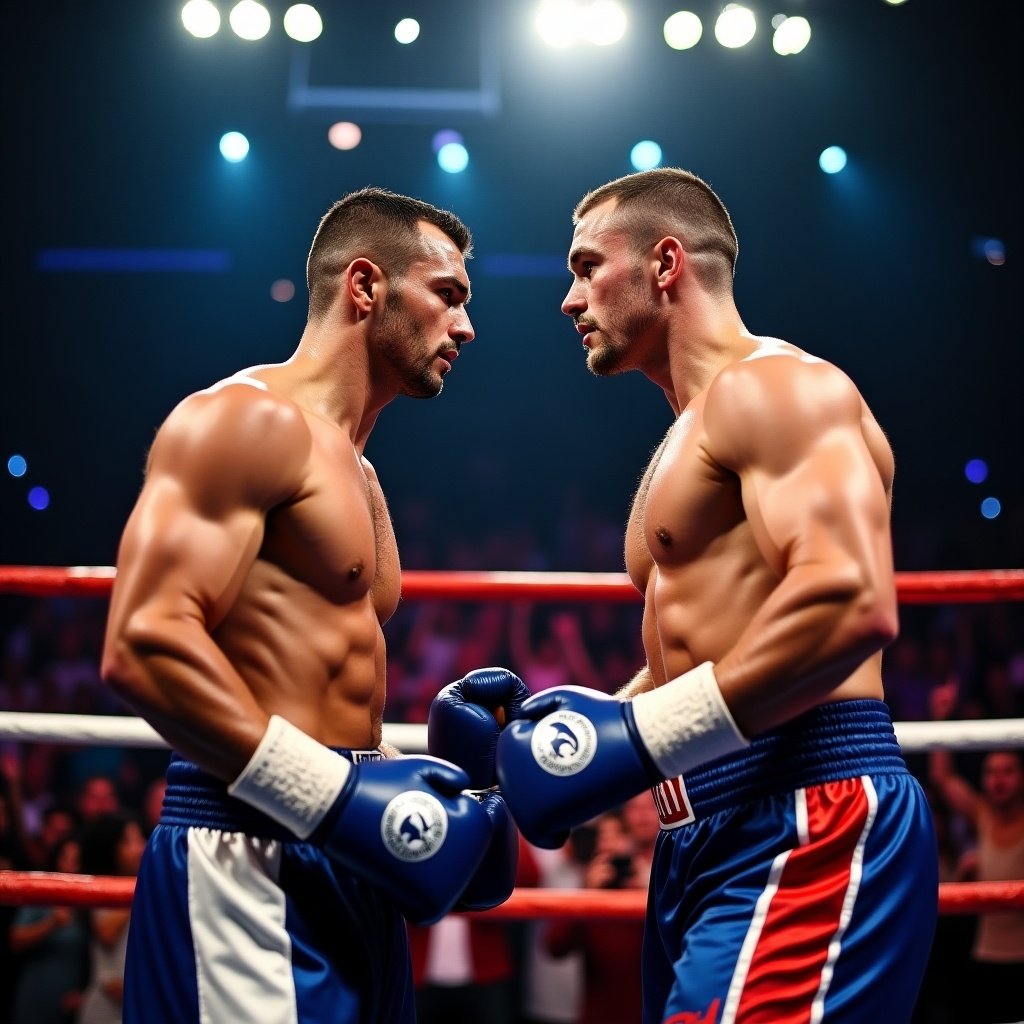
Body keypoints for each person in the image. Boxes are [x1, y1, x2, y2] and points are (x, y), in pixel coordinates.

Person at [495, 167, 938, 1023]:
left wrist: (641, 733)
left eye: (587, 267)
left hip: (807, 810)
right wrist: (567, 736)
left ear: (666, 264)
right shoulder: (685, 434)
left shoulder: (777, 388)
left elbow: (850, 599)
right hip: (699, 828)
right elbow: (696, 665)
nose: (569, 299)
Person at [100, 186, 526, 1024]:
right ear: (364, 287)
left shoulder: (361, 475)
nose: (466, 327)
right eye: (448, 294)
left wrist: (391, 786)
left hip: (350, 862)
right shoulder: (243, 422)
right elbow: (143, 643)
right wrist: (330, 796)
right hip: (248, 861)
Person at [929, 681, 1024, 1024]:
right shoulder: (982, 814)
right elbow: (942, 777)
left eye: (1008, 772)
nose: (998, 780)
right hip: (985, 954)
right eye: (991, 772)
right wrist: (941, 718)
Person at [75, 811, 147, 1024]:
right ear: (110, 849)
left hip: (135, 1004)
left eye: (139, 838)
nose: (139, 847)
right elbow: (106, 932)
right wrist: (143, 884)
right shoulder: (102, 889)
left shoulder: (145, 888)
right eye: (128, 841)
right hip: (105, 1010)